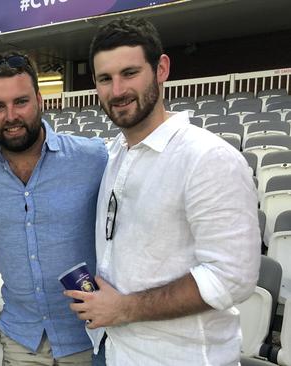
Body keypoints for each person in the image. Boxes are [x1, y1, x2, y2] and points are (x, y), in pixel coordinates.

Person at [65, 17, 260, 366]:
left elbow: (231, 278)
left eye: (130, 73)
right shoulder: (113, 155)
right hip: (113, 350)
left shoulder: (207, 158)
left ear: (161, 69)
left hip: (179, 357)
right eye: (105, 79)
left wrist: (124, 308)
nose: (118, 90)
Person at [0, 53, 107, 365]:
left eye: (21, 102)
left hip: (89, 337)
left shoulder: (93, 159)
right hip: (20, 339)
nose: (11, 115)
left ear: (40, 100)